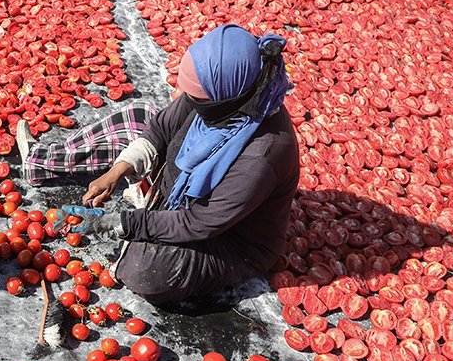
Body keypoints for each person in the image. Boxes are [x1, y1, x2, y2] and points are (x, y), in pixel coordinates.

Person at [27, 23, 299, 306]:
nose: (190, 102)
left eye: (199, 99)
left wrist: (121, 223)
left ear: (227, 94)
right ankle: (45, 161)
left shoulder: (262, 154)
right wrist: (118, 170)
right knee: (139, 115)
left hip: (227, 239)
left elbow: (197, 222)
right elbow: (159, 129)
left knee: (147, 271)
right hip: (180, 200)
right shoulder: (225, 95)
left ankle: (153, 229)